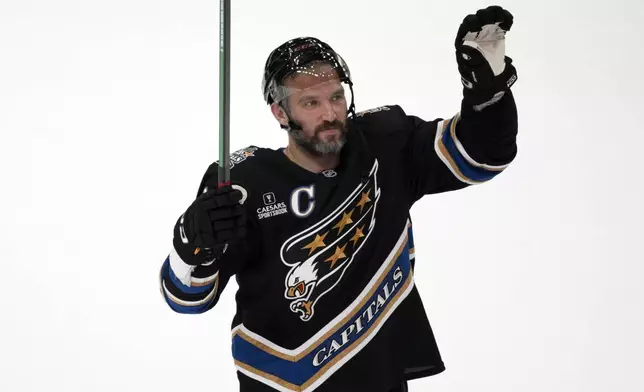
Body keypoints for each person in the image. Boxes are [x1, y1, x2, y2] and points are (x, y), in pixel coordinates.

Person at [158, 5, 519, 392]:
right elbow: (188, 298)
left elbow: (479, 157)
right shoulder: (242, 183)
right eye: (311, 103)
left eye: (335, 97)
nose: (331, 113)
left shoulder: (384, 143)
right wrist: (189, 247)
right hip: (284, 382)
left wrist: (488, 92)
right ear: (280, 112)